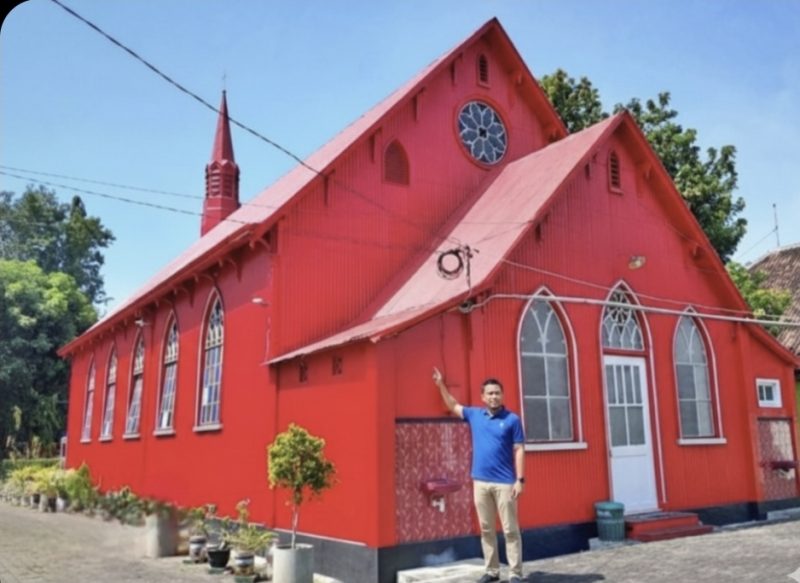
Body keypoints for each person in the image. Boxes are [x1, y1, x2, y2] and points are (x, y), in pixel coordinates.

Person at [433, 366, 525, 583]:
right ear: (483, 397)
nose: (493, 396)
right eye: (489, 393)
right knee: (486, 529)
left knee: (510, 530)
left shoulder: (512, 420)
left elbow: (519, 449)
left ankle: (515, 574)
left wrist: (520, 480)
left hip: (505, 483)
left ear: (502, 395)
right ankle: (492, 571)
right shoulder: (475, 415)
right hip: (480, 482)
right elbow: (453, 405)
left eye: (497, 393)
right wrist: (440, 385)